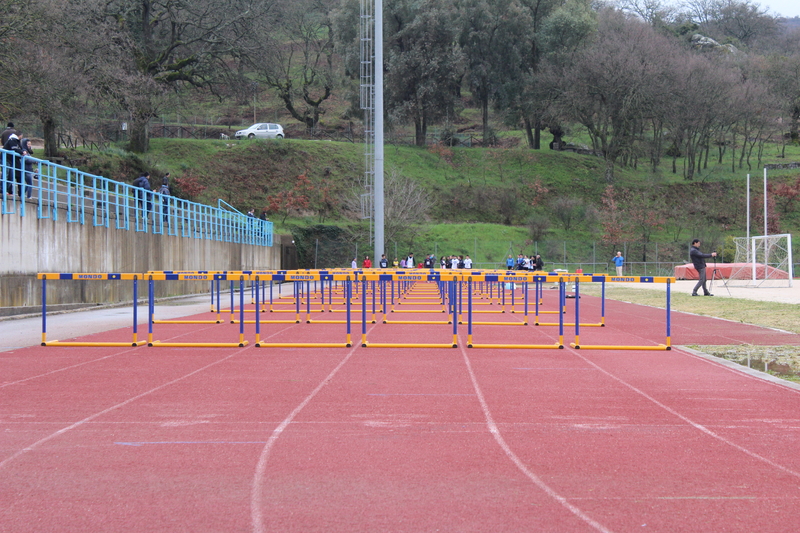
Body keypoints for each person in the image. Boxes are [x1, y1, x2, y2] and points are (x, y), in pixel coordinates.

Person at [3, 133, 24, 198]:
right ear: (20, 135)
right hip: (8, 159)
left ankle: (19, 193)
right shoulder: (12, 140)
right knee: (8, 175)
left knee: (12, 176)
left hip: (13, 160)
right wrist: (22, 152)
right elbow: (14, 148)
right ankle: (4, 190)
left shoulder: (16, 141)